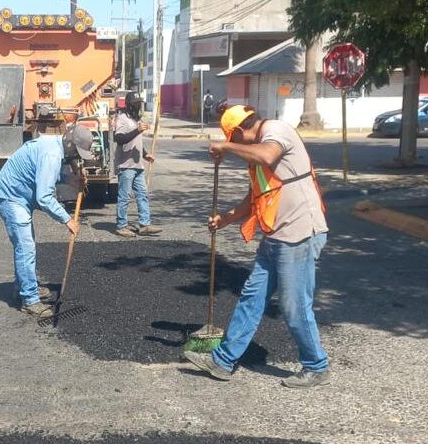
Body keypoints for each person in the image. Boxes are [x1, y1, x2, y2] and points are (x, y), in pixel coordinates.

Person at [183, 105, 331, 389]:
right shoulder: (258, 152)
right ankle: (223, 361)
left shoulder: (276, 132)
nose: (234, 144)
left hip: (298, 233)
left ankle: (316, 365)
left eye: (232, 137)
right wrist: (226, 218)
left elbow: (267, 154)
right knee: (252, 296)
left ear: (238, 131)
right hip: (275, 234)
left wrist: (225, 147)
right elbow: (256, 196)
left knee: (294, 304)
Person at [0, 125, 91, 317]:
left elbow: (46, 173)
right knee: (26, 247)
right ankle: (29, 299)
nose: (76, 156)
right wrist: (67, 219)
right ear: (69, 143)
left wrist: (70, 179)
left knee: (25, 245)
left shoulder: (54, 146)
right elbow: (44, 196)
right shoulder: (51, 155)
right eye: (76, 151)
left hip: (18, 195)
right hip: (10, 197)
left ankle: (23, 287)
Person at [113, 91, 161, 237]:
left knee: (142, 194)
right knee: (124, 197)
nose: (137, 107)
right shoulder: (121, 118)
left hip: (138, 165)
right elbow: (119, 139)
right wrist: (137, 130)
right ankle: (121, 225)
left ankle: (144, 224)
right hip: (126, 165)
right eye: (135, 104)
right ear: (128, 105)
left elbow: (136, 144)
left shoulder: (135, 120)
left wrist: (146, 155)